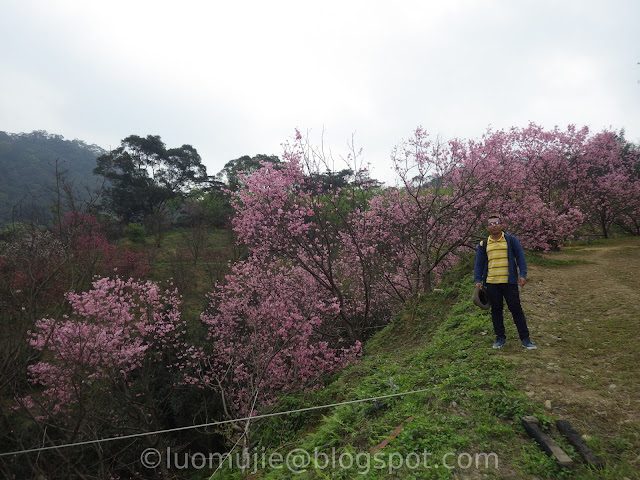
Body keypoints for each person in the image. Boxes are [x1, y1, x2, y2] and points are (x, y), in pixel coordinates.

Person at [474, 214, 536, 350]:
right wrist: (478, 280)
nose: (494, 225)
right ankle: (500, 338)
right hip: (491, 282)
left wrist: (523, 274)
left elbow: (520, 257)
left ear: (502, 225)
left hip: (509, 281)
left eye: (496, 223)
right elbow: (479, 264)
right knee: (496, 310)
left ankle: (525, 339)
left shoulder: (511, 240)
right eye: (491, 224)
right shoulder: (483, 244)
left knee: (516, 309)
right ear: (487, 228)